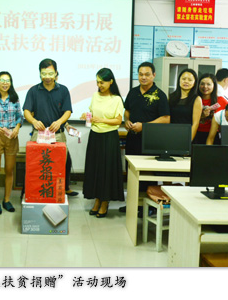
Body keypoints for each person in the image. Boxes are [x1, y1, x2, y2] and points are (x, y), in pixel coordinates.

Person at [120, 61, 170, 214]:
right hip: (132, 139)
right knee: (132, 173)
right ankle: (133, 204)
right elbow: (127, 111)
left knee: (147, 174)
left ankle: (148, 206)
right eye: (141, 74)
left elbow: (166, 119)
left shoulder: (160, 95)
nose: (143, 77)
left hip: (150, 141)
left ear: (153, 75)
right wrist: (127, 121)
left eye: (147, 74)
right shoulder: (133, 92)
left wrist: (145, 126)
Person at [23, 58, 77, 196]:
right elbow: (26, 111)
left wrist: (59, 122)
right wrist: (33, 121)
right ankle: (37, 195)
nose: (47, 77)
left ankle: (57, 195)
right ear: (39, 73)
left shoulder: (63, 90)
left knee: (59, 168)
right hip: (38, 135)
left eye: (50, 73)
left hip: (57, 135)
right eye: (44, 73)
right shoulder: (33, 91)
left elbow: (68, 111)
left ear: (56, 73)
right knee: (36, 167)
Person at [81, 68, 124, 218]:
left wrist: (102, 120)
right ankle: (97, 200)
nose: (99, 85)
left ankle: (105, 202)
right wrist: (86, 115)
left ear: (111, 81)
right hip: (95, 136)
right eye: (98, 82)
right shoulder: (95, 95)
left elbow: (118, 121)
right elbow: (92, 114)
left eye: (102, 82)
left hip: (109, 137)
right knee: (95, 169)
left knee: (107, 170)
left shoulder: (116, 99)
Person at [0, 71, 23, 215]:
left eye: (8, 80)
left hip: (11, 136)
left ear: (11, 83)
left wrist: (17, 127)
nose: (5, 83)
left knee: (9, 170)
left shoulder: (15, 98)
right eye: (2, 80)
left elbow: (20, 117)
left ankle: (7, 200)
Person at [168, 68, 202, 141]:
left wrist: (188, 142)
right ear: (179, 80)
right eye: (183, 79)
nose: (186, 81)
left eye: (190, 80)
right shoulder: (171, 97)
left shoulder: (197, 99)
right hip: (171, 134)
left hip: (187, 136)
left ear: (194, 83)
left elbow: (195, 124)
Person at [194, 73, 228, 144]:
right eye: (202, 84)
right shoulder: (193, 100)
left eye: (208, 84)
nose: (205, 87)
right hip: (195, 134)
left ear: (214, 86)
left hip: (214, 136)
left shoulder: (222, 101)